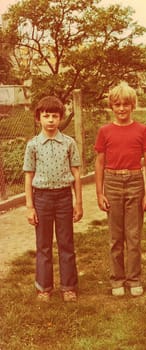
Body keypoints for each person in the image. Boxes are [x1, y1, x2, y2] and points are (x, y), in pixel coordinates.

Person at [94, 82, 146, 297]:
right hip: (112, 182)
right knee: (115, 237)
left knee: (133, 235)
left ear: (133, 105)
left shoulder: (142, 130)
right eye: (117, 104)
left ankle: (134, 278)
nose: (121, 109)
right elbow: (100, 162)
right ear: (111, 106)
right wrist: (100, 192)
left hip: (135, 182)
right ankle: (117, 279)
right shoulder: (105, 131)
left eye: (126, 105)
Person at [23, 95, 83, 302]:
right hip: (42, 199)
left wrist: (79, 202)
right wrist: (30, 206)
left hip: (64, 198)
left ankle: (68, 286)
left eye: (54, 116)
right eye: (46, 115)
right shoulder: (33, 145)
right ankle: (44, 287)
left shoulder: (68, 143)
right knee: (44, 245)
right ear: (38, 118)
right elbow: (29, 175)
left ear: (60, 118)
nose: (50, 120)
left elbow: (76, 173)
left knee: (66, 243)